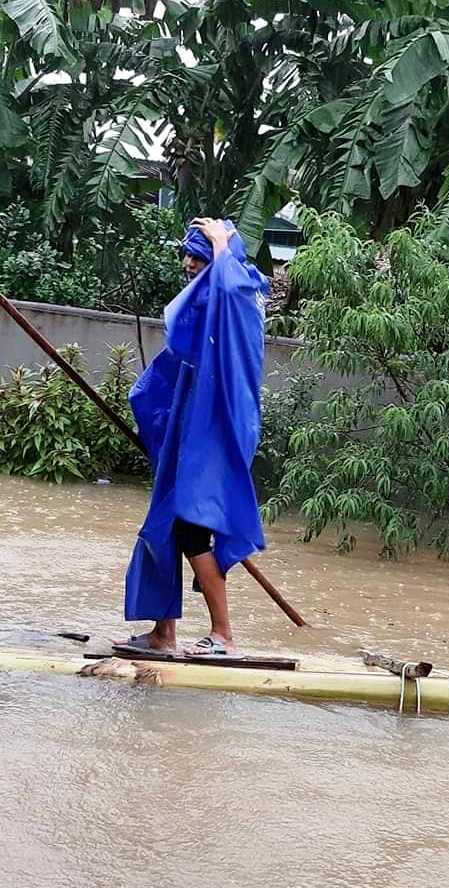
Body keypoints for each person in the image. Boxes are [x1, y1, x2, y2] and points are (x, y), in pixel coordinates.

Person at [115, 217, 268, 657]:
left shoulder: (240, 296)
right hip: (189, 433)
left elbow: (229, 289)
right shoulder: (210, 300)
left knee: (192, 527)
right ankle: (164, 634)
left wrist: (222, 245)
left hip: (215, 435)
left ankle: (224, 635)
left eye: (199, 259)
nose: (189, 265)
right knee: (165, 524)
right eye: (188, 259)